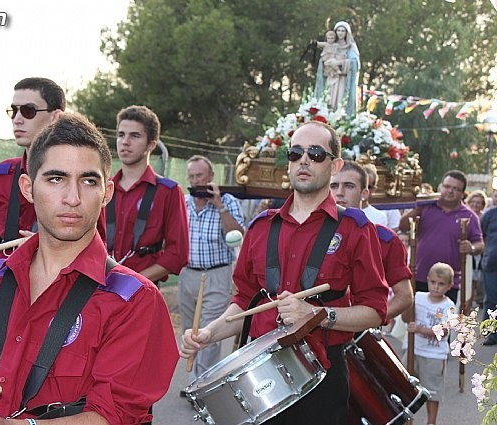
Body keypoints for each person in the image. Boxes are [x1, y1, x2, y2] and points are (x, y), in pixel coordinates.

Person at [0, 113, 179, 425]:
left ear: (106, 193)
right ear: (27, 188)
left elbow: (114, 416)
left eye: (89, 181)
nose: (72, 198)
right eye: (55, 179)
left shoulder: (134, 301)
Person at [181, 121, 388, 424]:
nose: (304, 160)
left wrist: (318, 315)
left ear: (335, 165)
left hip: (323, 373)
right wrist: (208, 334)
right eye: (296, 153)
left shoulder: (355, 228)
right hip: (260, 375)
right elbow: (244, 302)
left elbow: (374, 310)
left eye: (316, 154)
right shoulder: (261, 227)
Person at [104, 105, 189, 284]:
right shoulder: (103, 188)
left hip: (142, 291)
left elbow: (178, 254)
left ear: (151, 143)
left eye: (135, 136)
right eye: (121, 135)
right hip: (99, 286)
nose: (125, 142)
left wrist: (133, 281)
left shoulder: (169, 191)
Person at [179, 155, 245, 384]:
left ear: (211, 177)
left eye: (200, 176)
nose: (196, 181)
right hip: (187, 274)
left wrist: (220, 206)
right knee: (190, 331)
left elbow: (236, 237)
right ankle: (197, 378)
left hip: (216, 274)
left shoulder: (228, 202)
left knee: (208, 331)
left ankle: (202, 383)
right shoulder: (183, 202)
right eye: (192, 176)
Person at [0, 77, 65, 259]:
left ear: (56, 117)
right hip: (1, 279)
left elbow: (96, 246)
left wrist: (50, 247)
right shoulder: (2, 173)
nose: (17, 119)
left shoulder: (78, 177)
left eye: (28, 111)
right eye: (13, 111)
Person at [330, 160, 413, 319]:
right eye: (334, 186)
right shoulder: (311, 232)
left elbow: (404, 296)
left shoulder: (386, 239)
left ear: (364, 193)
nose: (339, 192)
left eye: (349, 186)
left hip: (358, 336)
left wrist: (369, 320)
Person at [399, 170, 483, 304]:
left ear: (462, 194)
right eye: (447, 186)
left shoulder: (470, 216)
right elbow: (402, 226)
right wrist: (418, 209)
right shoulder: (425, 207)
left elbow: (479, 244)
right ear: (440, 187)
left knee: (443, 323)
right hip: (420, 276)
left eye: (456, 189)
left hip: (448, 283)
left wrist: (471, 247)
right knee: (413, 322)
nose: (450, 191)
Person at [401, 262, 456, 425]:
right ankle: (406, 419)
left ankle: (431, 422)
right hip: (413, 350)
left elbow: (444, 331)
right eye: (433, 282)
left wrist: (420, 329)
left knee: (432, 392)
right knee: (406, 386)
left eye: (441, 284)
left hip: (434, 355)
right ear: (427, 280)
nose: (436, 287)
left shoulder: (449, 306)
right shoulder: (417, 297)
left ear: (449, 286)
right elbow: (405, 318)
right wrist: (407, 307)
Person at [314, 21, 360, 116]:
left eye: (343, 30)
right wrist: (326, 62)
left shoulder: (351, 47)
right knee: (328, 100)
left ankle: (339, 120)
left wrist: (339, 62)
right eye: (338, 30)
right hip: (330, 77)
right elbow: (323, 58)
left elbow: (355, 63)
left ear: (347, 32)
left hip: (342, 80)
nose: (340, 33)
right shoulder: (330, 45)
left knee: (340, 102)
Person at [466, 190, 488, 309]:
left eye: (478, 203)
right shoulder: (465, 215)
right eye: (473, 202)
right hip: (468, 253)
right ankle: (467, 305)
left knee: (476, 280)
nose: (475, 204)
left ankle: (473, 301)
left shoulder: (485, 217)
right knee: (468, 280)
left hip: (480, 252)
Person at [481, 195, 497, 345]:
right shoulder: (489, 215)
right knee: (491, 299)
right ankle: (491, 334)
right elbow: (482, 235)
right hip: (491, 264)